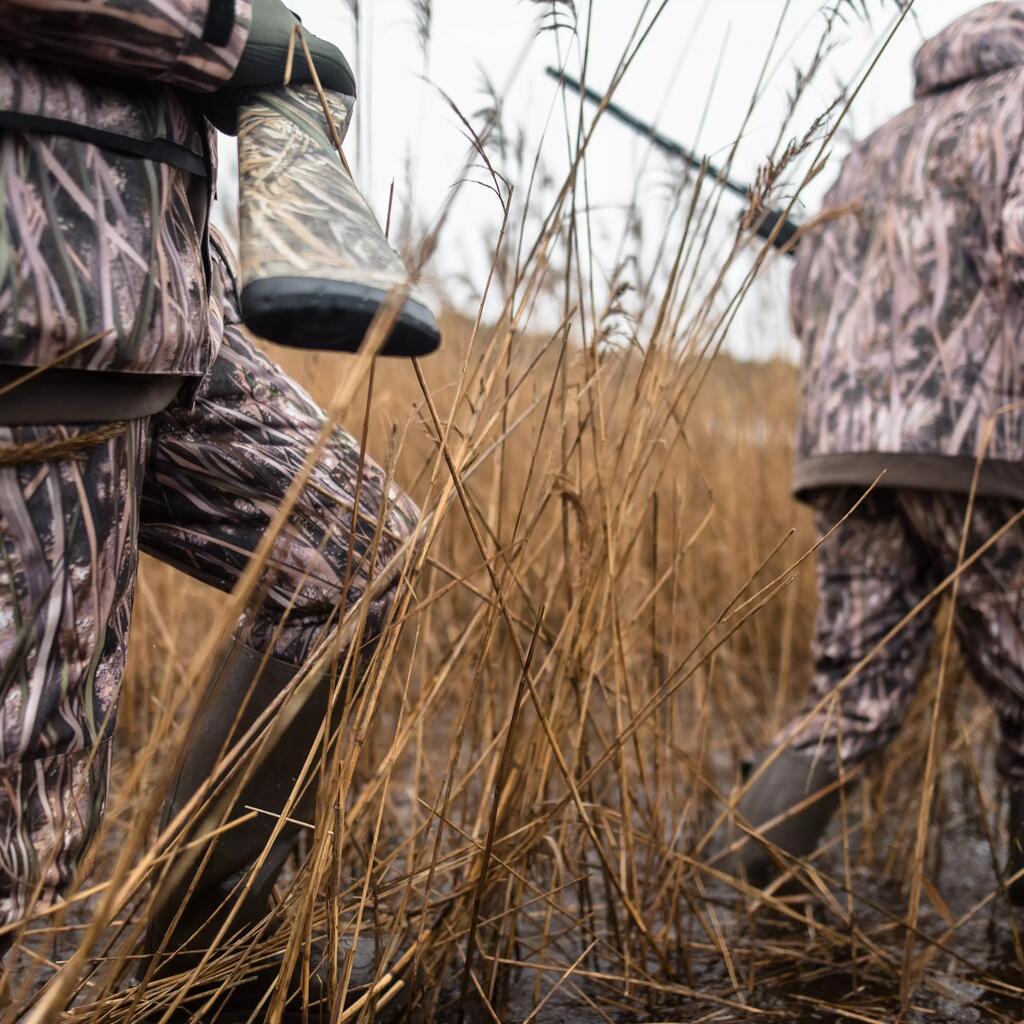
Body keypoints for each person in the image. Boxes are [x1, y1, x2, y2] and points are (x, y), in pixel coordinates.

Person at [0, 0, 419, 1014]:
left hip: (158, 300)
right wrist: (232, 33)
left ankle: (204, 961)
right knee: (21, 811)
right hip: (38, 311)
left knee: (356, 551)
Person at [721, 1, 1024, 898]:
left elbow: (812, 302)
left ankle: (732, 886)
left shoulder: (875, 144)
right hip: (984, 455)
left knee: (849, 696)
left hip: (846, 457)